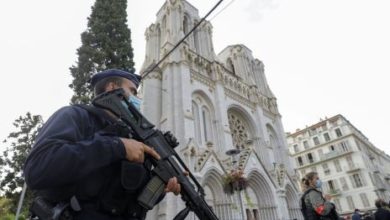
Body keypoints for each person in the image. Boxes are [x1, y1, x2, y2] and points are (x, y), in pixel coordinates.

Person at [24, 69, 182, 220]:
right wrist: (117, 146)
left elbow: (129, 203)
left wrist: (161, 185)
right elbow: (37, 168)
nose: (137, 98)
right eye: (133, 91)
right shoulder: (76, 116)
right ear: (112, 88)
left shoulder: (132, 139)